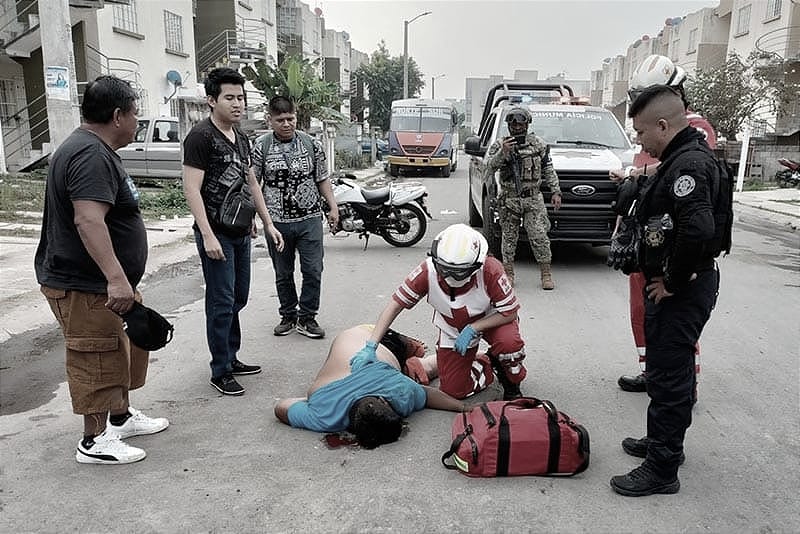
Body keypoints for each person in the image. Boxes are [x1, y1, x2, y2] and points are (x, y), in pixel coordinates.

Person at [34, 75, 169, 464]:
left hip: (104, 282)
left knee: (120, 350)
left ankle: (120, 418)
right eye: (135, 114)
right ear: (117, 116)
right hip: (85, 283)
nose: (137, 122)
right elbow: (88, 221)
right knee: (96, 355)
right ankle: (93, 441)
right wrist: (115, 277)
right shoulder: (90, 154)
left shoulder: (93, 149)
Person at [610, 85, 727, 497]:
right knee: (665, 374)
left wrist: (674, 281)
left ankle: (662, 469)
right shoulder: (680, 159)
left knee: (669, 376)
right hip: (680, 285)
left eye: (641, 133)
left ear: (663, 125)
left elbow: (698, 229)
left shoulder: (689, 166)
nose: (640, 141)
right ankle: (662, 445)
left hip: (681, 292)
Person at [610, 55, 716, 396]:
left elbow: (679, 171)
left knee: (673, 322)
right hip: (647, 239)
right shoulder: (650, 128)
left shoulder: (691, 128)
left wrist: (634, 174)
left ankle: (684, 382)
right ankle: (654, 372)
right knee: (644, 313)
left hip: (673, 243)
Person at [182, 67, 284, 396]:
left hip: (240, 230)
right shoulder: (200, 137)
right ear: (212, 100)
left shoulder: (240, 136)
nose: (237, 104)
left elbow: (251, 181)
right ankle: (220, 369)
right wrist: (207, 233)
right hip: (217, 234)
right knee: (221, 300)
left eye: (241, 98)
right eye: (230, 97)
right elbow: (191, 189)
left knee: (238, 296)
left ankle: (232, 355)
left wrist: (265, 221)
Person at [357, 223, 527, 401]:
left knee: (509, 344)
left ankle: (511, 380)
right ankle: (487, 362)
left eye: (459, 272)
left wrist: (474, 328)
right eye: (444, 269)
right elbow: (395, 305)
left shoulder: (490, 269)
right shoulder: (427, 270)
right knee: (454, 391)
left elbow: (510, 313)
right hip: (453, 328)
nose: (449, 277)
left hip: (492, 320)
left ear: (476, 266)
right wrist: (371, 346)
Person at [275, 325, 468, 448]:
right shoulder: (322, 414)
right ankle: (412, 351)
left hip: (378, 339)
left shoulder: (397, 390)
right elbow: (282, 407)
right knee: (421, 368)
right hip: (370, 342)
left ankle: (410, 346)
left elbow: (428, 395)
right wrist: (313, 400)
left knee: (420, 362)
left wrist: (463, 408)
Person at [251, 96, 339, 340]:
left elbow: (322, 178)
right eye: (280, 120)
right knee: (283, 271)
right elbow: (253, 184)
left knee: (313, 269)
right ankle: (288, 315)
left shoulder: (312, 144)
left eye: (290, 119)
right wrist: (253, 217)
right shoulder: (261, 146)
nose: (286, 124)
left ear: (296, 117)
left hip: (310, 219)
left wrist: (333, 207)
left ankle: (308, 316)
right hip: (277, 222)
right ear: (270, 120)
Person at [485, 106, 562, 289]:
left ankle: (546, 274)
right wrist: (502, 153)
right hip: (509, 199)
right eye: (513, 124)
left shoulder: (539, 145)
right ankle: (508, 274)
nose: (517, 127)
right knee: (509, 238)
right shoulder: (500, 145)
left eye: (520, 123)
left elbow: (548, 169)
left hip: (533, 199)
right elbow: (489, 168)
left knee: (539, 236)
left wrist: (556, 191)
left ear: (527, 124)